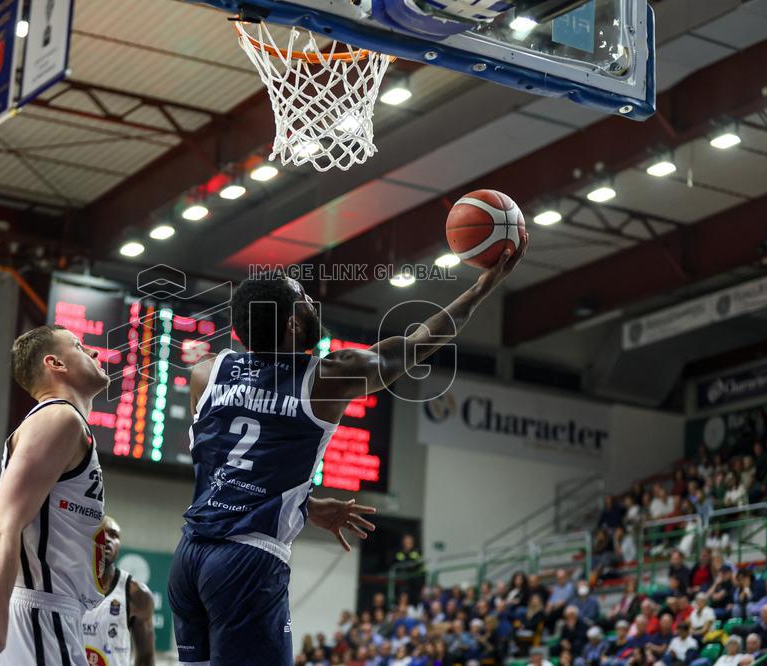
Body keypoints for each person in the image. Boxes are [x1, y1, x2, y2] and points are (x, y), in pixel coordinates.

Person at [168, 245, 526, 665]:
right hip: (247, 559)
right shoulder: (328, 377)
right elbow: (416, 345)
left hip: (189, 557)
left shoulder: (207, 372)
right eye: (303, 298)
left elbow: (228, 466)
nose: (311, 302)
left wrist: (303, 506)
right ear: (292, 322)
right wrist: (483, 287)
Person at [0, 325, 112, 666]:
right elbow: (2, 527)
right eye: (79, 346)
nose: (94, 352)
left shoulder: (64, 423)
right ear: (55, 364)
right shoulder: (59, 417)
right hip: (39, 615)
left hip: (46, 614)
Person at [82, 517, 155, 666]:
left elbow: (146, 657)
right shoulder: (64, 585)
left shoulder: (137, 594)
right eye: (101, 533)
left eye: (113, 535)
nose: (107, 539)